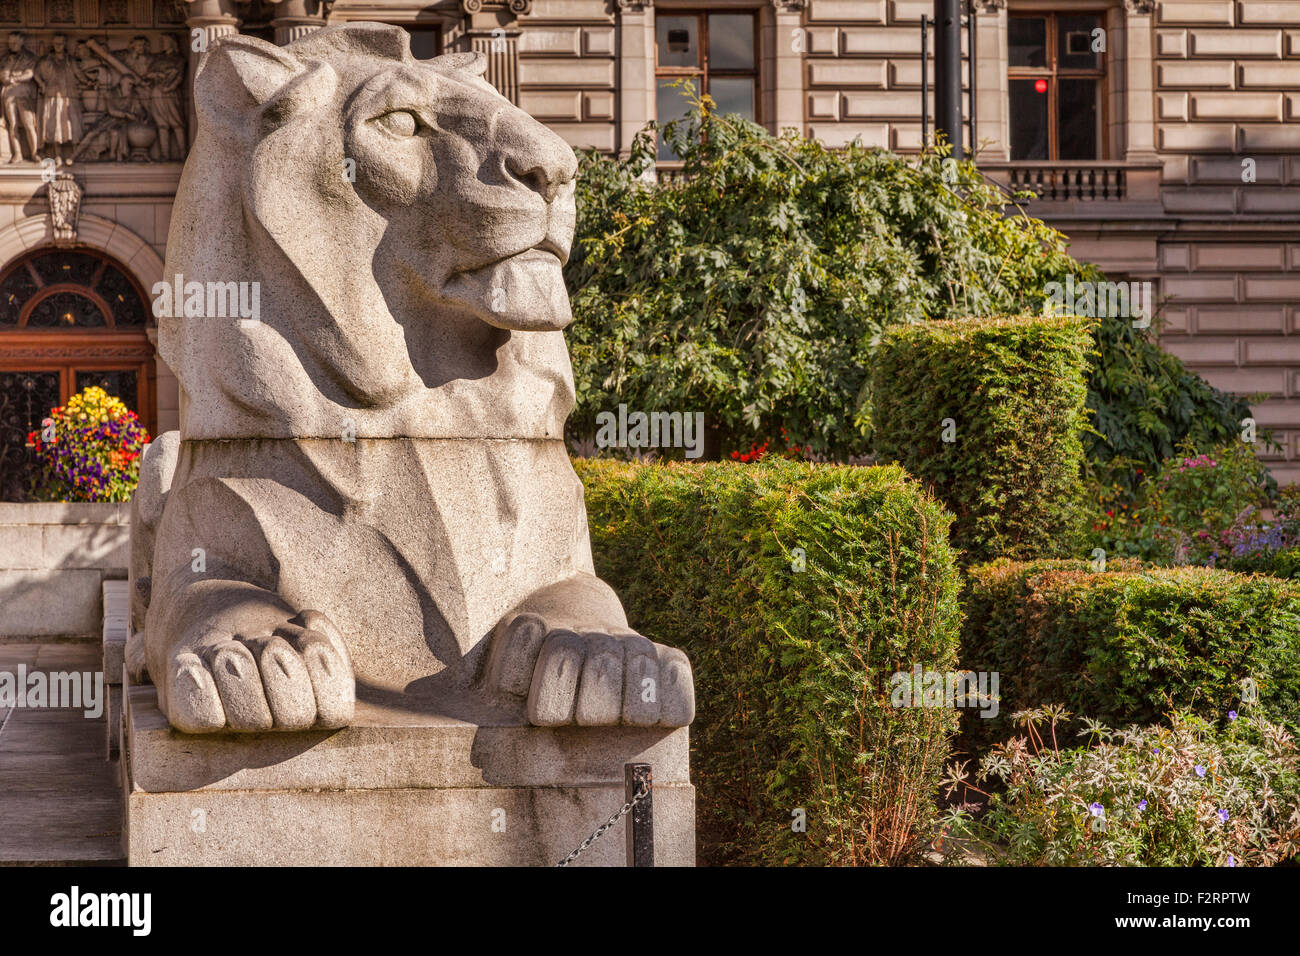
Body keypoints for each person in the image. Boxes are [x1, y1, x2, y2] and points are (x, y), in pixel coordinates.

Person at [34, 33, 85, 166]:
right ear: (52, 44)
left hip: (68, 96)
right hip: (52, 96)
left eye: (61, 43)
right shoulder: (46, 60)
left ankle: (75, 154)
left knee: (72, 124)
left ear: (65, 44)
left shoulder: (70, 60)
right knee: (54, 125)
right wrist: (42, 84)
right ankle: (57, 155)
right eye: (56, 43)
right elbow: (35, 73)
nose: (58, 46)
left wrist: (89, 82)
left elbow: (79, 75)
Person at [0, 32, 39, 162]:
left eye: (15, 43)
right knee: (13, 125)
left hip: (24, 94)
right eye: (10, 43)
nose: (12, 45)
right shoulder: (6, 59)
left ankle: (34, 153)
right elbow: (2, 75)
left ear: (22, 42)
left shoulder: (29, 57)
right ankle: (17, 153)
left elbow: (29, 74)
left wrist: (12, 78)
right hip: (9, 95)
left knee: (29, 124)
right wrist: (9, 77)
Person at [144, 34, 183, 160]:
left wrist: (169, 88)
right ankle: (164, 154)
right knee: (161, 124)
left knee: (177, 123)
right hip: (157, 92)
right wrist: (156, 74)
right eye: (162, 42)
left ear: (172, 43)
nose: (163, 44)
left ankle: (183, 153)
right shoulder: (158, 59)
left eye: (166, 41)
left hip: (170, 93)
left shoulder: (178, 59)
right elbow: (148, 73)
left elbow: (179, 76)